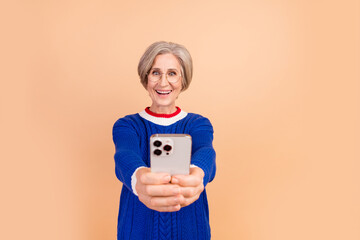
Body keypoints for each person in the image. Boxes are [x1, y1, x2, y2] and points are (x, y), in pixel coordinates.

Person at [112, 41, 216, 240]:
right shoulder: (127, 125)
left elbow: (206, 151)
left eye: (172, 73)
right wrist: (138, 178)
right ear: (146, 78)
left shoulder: (198, 124)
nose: (163, 82)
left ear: (183, 79)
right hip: (137, 233)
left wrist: (199, 173)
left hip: (192, 232)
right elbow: (125, 155)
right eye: (156, 73)